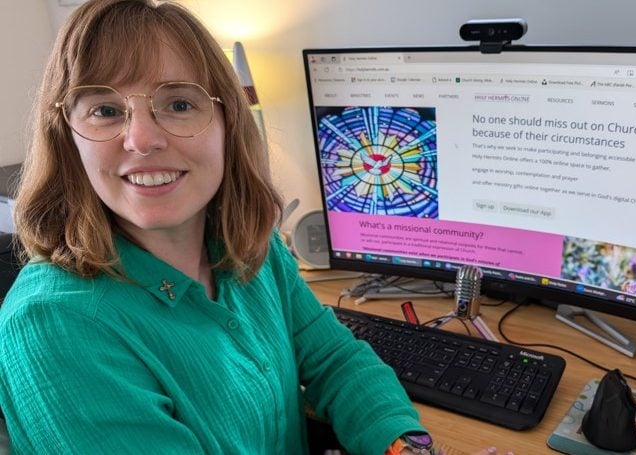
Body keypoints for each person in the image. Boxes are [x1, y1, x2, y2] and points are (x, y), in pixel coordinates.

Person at [0, 1, 454, 453]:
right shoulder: (55, 325)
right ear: (66, 136)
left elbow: (334, 360)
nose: (142, 139)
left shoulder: (248, 247)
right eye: (105, 110)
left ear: (227, 123)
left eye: (178, 103)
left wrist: (405, 447)